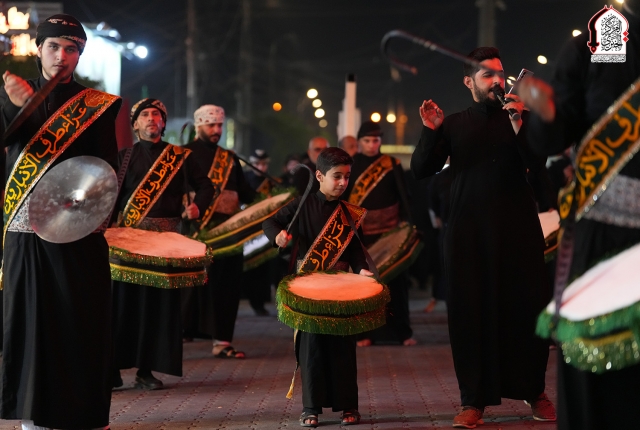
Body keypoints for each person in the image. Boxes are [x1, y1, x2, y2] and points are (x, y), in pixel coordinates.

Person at [410, 47, 555, 428]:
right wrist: (430, 131)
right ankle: (472, 400)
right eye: (487, 75)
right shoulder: (454, 124)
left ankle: (535, 391)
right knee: (470, 315)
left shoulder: (521, 118)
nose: (497, 81)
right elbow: (421, 169)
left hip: (518, 232)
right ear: (468, 82)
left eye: (500, 74)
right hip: (469, 234)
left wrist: (520, 122)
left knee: (527, 310)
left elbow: (538, 167)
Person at [518, 2, 640, 427]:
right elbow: (553, 134)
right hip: (604, 234)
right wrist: (545, 113)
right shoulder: (610, 36)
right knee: (598, 367)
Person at [0, 14, 122, 430]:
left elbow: (105, 169)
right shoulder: (11, 95)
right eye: (53, 46)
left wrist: (95, 213)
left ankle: (86, 414)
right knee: (29, 321)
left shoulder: (96, 105)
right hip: (24, 231)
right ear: (39, 49)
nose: (62, 56)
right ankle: (33, 415)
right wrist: (16, 107)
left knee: (80, 319)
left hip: (76, 230)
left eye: (72, 49)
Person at [263, 147, 373, 428]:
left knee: (343, 348)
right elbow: (270, 221)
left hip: (340, 289)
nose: (343, 182)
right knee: (311, 348)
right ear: (320, 176)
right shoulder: (302, 204)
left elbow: (356, 250)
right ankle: (310, 408)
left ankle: (349, 406)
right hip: (308, 288)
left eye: (347, 176)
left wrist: (362, 268)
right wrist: (278, 236)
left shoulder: (349, 213)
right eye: (337, 176)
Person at [112, 98, 213, 390]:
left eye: (156, 114)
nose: (151, 118)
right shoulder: (124, 157)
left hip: (166, 244)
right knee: (123, 307)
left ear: (163, 122)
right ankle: (112, 369)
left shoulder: (180, 157)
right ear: (135, 124)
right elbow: (111, 196)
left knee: (156, 309)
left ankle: (146, 371)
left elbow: (206, 186)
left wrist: (198, 206)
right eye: (144, 114)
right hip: (129, 243)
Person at [181, 104, 256, 357]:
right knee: (190, 286)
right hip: (195, 229)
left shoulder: (229, 158)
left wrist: (270, 202)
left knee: (226, 286)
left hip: (228, 232)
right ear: (198, 125)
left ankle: (222, 341)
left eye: (220, 125)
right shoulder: (184, 154)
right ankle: (182, 331)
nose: (217, 130)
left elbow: (245, 191)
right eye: (211, 125)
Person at [344, 121, 416, 347]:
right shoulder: (351, 165)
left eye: (375, 140)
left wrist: (406, 224)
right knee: (365, 284)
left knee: (396, 283)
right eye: (367, 140)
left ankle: (402, 333)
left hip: (390, 233)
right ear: (359, 142)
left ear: (380, 141)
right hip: (362, 235)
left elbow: (404, 196)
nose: (371, 144)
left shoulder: (391, 163)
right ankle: (364, 334)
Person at [243, 148, 274, 316]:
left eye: (263, 164)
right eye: (257, 164)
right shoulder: (245, 179)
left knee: (263, 267)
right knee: (250, 266)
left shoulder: (271, 182)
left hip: (264, 229)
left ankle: (261, 302)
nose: (260, 168)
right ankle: (252, 299)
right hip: (247, 229)